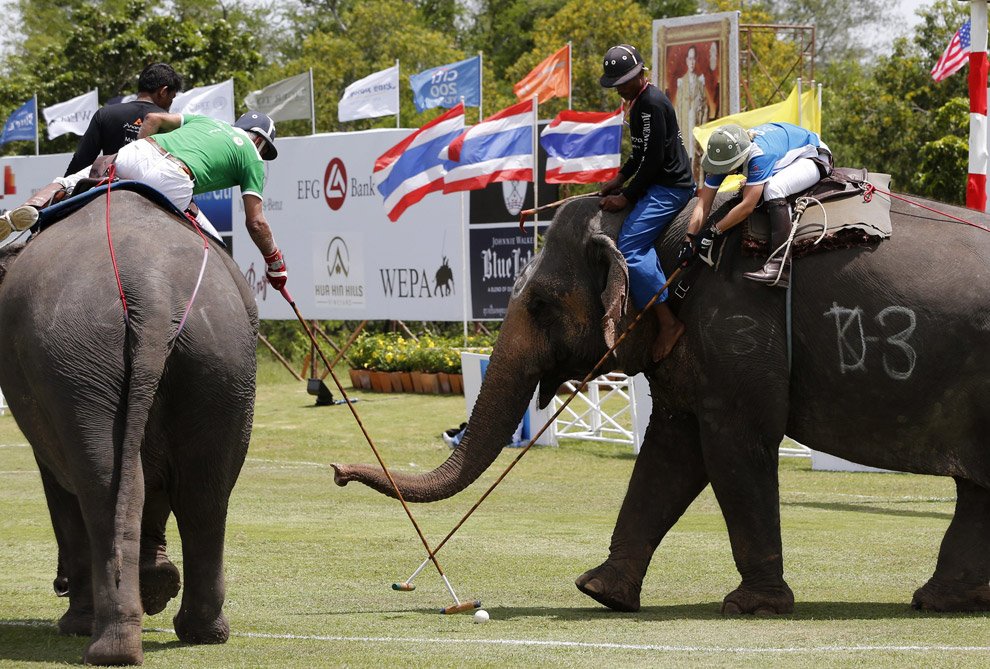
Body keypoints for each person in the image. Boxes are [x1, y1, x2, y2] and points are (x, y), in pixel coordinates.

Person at [0, 111, 288, 291]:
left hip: (138, 151)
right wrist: (275, 263)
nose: (262, 157)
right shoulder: (251, 156)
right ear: (260, 141)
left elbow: (153, 119)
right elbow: (256, 221)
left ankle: (33, 207)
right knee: (215, 248)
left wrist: (139, 153)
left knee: (71, 180)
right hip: (173, 179)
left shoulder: (207, 120)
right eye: (265, 152)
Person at [598, 44, 696, 362]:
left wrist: (625, 196)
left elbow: (653, 161)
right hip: (656, 182)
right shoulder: (639, 102)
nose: (622, 88)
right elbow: (640, 153)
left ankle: (667, 322)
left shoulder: (651, 104)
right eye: (618, 84)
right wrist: (620, 177)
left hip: (670, 188)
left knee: (630, 247)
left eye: (627, 80)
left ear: (642, 73)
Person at [683, 122, 832, 289]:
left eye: (725, 168)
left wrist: (713, 231)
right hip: (784, 151)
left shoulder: (759, 156)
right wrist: (689, 239)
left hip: (813, 156)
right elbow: (703, 204)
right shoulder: (724, 155)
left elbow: (747, 206)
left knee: (773, 189)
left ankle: (780, 264)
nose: (721, 170)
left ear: (739, 158)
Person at [64, 63, 183, 176]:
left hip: (109, 187)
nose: (170, 104)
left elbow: (81, 161)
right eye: (171, 98)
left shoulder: (105, 114)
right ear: (163, 92)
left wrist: (65, 191)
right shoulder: (174, 125)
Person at [672, 46, 712, 178]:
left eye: (694, 58)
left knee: (696, 155)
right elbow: (677, 109)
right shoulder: (680, 82)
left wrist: (703, 127)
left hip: (696, 125)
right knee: (685, 154)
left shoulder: (701, 81)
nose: (692, 62)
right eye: (690, 58)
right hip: (684, 126)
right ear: (686, 60)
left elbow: (705, 107)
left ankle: (697, 185)